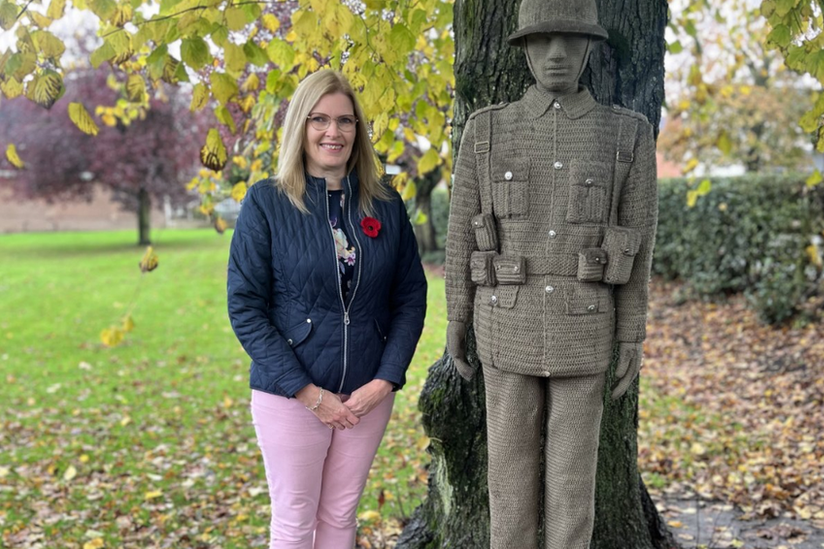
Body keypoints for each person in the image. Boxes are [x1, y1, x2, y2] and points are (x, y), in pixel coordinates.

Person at [444, 0, 659, 547]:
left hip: (583, 328)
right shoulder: (487, 131)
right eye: (541, 41)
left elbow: (639, 243)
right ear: (523, 49)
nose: (556, 54)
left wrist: (633, 332)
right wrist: (456, 317)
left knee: (573, 489)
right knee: (508, 488)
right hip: (504, 326)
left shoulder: (626, 135)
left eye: (569, 40)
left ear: (590, 47)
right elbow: (460, 234)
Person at [227, 69, 427, 549]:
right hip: (291, 396)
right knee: (296, 524)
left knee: (340, 516)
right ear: (301, 125)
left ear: (358, 131)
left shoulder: (385, 205)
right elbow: (245, 306)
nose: (332, 132)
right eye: (319, 119)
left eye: (345, 121)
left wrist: (386, 379)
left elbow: (409, 298)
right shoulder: (267, 202)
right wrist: (307, 392)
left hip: (365, 397)